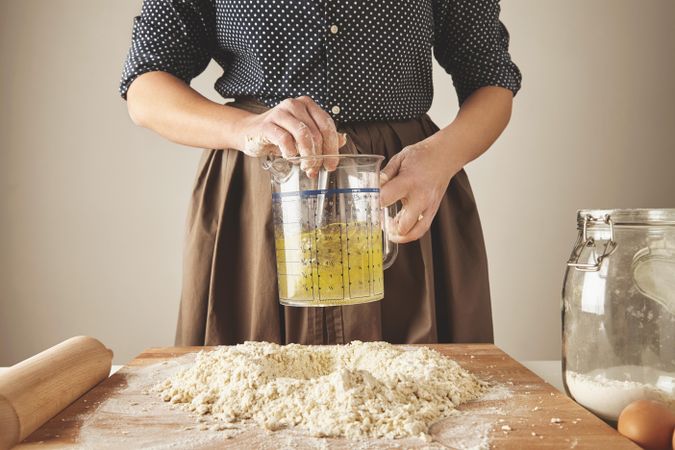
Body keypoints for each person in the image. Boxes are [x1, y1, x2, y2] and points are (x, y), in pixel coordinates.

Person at [120, 0, 521, 346]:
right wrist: (243, 129)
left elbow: (492, 80)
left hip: (400, 188)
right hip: (261, 192)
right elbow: (146, 85)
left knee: (426, 411)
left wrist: (439, 159)